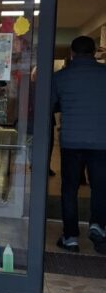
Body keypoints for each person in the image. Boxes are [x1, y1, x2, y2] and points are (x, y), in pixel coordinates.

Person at [51, 36, 106, 254]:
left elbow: (52, 105)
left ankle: (71, 237)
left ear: (72, 54)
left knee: (70, 188)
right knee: (100, 187)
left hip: (71, 141)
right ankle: (98, 227)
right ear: (94, 53)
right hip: (102, 141)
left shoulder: (61, 77)